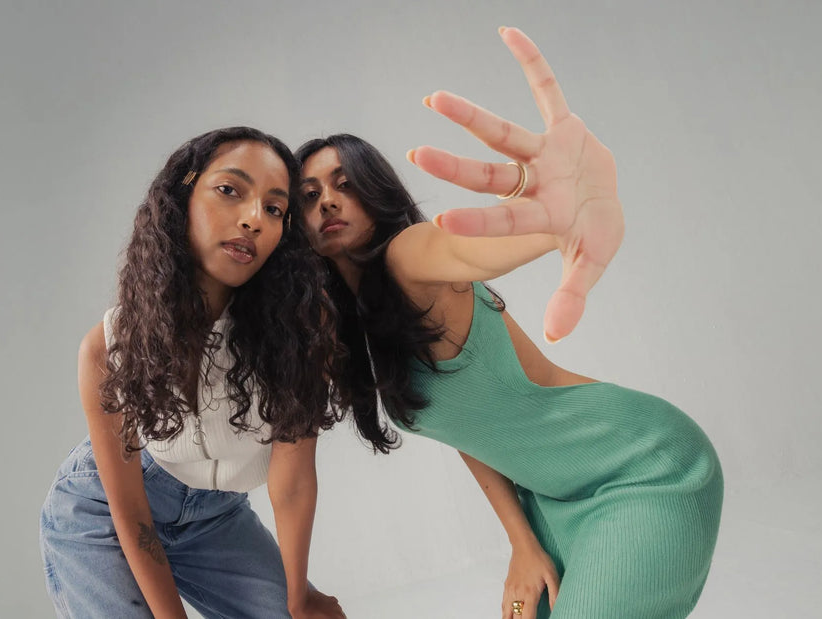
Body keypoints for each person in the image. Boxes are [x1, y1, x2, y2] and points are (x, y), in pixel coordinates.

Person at [295, 29, 722, 619]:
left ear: (376, 192)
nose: (328, 202)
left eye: (345, 184)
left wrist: (560, 218)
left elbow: (466, 250)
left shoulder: (410, 257)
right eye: (310, 194)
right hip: (553, 498)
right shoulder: (366, 327)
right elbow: (472, 432)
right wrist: (522, 544)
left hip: (641, 466)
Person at [40, 126, 347, 619]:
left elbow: (290, 481)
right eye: (230, 190)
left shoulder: (300, 330)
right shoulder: (108, 345)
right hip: (104, 512)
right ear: (183, 195)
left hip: (217, 518)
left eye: (274, 209)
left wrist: (299, 599)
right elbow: (131, 513)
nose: (253, 219)